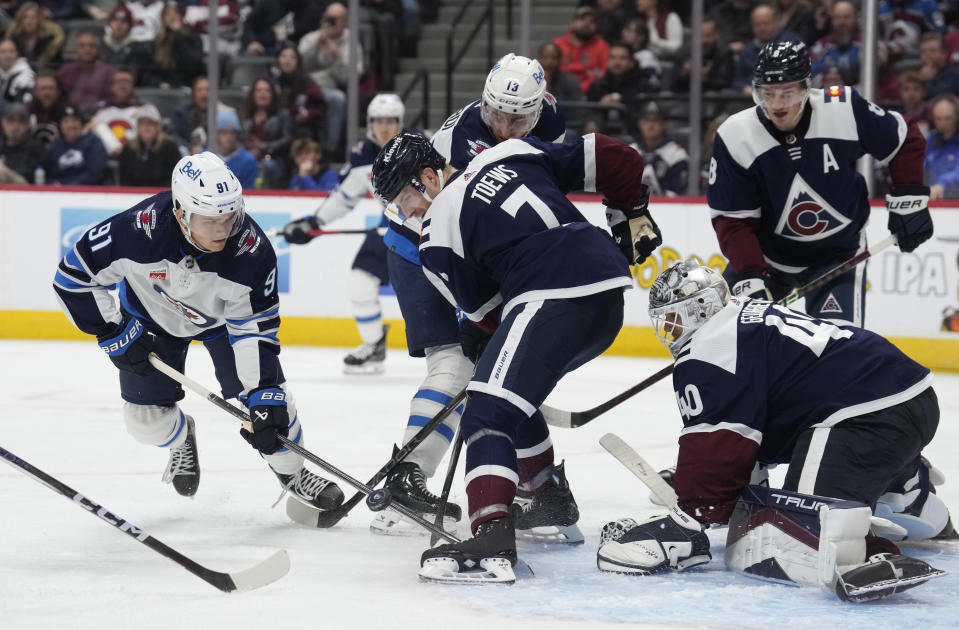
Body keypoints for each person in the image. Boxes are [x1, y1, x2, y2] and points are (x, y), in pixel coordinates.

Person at [370, 130, 660, 583]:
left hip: (550, 293)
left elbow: (487, 312)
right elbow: (617, 156)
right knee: (508, 395)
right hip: (605, 290)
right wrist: (630, 212)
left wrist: (484, 339)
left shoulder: (435, 234)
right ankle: (547, 496)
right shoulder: (509, 151)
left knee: (485, 409)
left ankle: (490, 533)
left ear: (429, 177)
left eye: (403, 198)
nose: (404, 212)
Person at [595, 260, 951, 602]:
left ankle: (870, 556)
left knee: (804, 528)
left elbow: (720, 443)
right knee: (806, 459)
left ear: (700, 310)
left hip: (862, 415)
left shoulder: (710, 346)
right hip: (910, 400)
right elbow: (758, 426)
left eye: (673, 321)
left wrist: (693, 515)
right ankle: (905, 489)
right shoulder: (744, 316)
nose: (669, 332)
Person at [52, 151, 344, 513]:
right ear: (181, 214)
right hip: (148, 320)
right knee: (144, 423)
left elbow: (253, 329)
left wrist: (263, 392)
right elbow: (72, 277)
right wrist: (114, 332)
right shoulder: (136, 231)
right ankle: (180, 439)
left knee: (274, 407)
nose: (223, 230)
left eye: (229, 216)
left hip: (222, 326)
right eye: (210, 221)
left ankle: (293, 474)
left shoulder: (251, 252)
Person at [365, 55, 572, 538]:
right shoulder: (462, 138)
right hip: (422, 245)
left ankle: (538, 487)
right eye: (496, 114)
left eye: (517, 119)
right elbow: (440, 221)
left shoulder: (552, 123)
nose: (504, 128)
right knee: (457, 364)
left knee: (502, 366)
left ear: (539, 109)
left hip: (471, 248)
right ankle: (408, 474)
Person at [708, 41, 933, 327]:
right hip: (768, 259)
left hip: (838, 258)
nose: (777, 104)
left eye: (787, 92)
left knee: (836, 350)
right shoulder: (735, 135)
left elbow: (904, 139)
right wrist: (751, 274)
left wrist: (909, 202)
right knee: (721, 338)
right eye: (768, 93)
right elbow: (732, 220)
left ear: (806, 87)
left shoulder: (843, 109)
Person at [282, 94, 404, 374]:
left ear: (400, 122)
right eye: (379, 121)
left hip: (428, 228)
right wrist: (314, 221)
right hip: (390, 224)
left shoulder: (420, 145)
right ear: (370, 123)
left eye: (391, 121)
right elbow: (344, 197)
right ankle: (374, 344)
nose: (385, 127)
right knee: (360, 282)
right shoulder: (363, 154)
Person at [241, 77, 293, 188]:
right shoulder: (247, 118)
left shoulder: (282, 115)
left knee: (264, 165)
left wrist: (261, 147)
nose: (262, 94)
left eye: (267, 90)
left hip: (274, 160)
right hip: (249, 157)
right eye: (258, 90)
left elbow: (288, 140)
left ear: (273, 94)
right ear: (253, 95)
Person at [630, 101, 690, 196]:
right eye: (647, 120)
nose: (650, 125)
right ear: (640, 124)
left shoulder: (676, 154)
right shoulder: (630, 151)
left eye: (655, 120)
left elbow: (676, 193)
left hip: (667, 208)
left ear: (663, 124)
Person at [42, 105, 111, 185]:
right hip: (60, 193)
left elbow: (97, 172)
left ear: (81, 123)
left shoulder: (93, 141)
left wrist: (72, 185)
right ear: (60, 126)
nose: (71, 125)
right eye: (66, 121)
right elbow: (48, 174)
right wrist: (52, 183)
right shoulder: (55, 147)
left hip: (89, 191)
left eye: (75, 120)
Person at [117, 103, 182, 187]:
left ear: (158, 126)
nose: (146, 127)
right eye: (142, 123)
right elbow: (124, 180)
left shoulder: (170, 148)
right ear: (138, 127)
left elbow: (174, 178)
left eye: (150, 123)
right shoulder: (129, 149)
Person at [88, 66, 144, 157]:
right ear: (112, 86)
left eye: (127, 81)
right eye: (119, 82)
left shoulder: (144, 109)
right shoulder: (98, 110)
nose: (123, 85)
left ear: (134, 86)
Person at [553, 5, 610, 93]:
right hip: (560, 92)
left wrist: (593, 73)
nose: (587, 24)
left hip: (591, 94)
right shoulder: (557, 44)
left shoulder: (602, 46)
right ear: (572, 23)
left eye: (592, 21)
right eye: (582, 19)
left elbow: (604, 73)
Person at [56, 31, 114, 115]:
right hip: (69, 116)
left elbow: (112, 98)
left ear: (98, 49)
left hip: (100, 116)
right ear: (76, 49)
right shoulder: (65, 72)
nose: (87, 49)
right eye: (82, 46)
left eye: (92, 46)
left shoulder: (108, 72)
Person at [925, 94, 959, 200]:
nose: (943, 124)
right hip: (932, 201)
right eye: (938, 119)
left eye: (948, 118)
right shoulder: (930, 141)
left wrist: (942, 184)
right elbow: (920, 166)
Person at [0, 101, 44, 183]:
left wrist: (5, 173)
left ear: (27, 124)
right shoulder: (1, 146)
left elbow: (29, 182)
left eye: (21, 121)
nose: (16, 126)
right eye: (11, 121)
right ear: (3, 122)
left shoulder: (35, 149)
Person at [215, 110, 258, 190]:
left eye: (232, 133)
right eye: (224, 132)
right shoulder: (204, 157)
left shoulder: (247, 160)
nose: (229, 137)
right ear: (217, 133)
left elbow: (249, 193)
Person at [0, 38, 34, 106]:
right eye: (3, 52)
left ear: (17, 54)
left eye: (11, 51)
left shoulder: (27, 76)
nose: (7, 55)